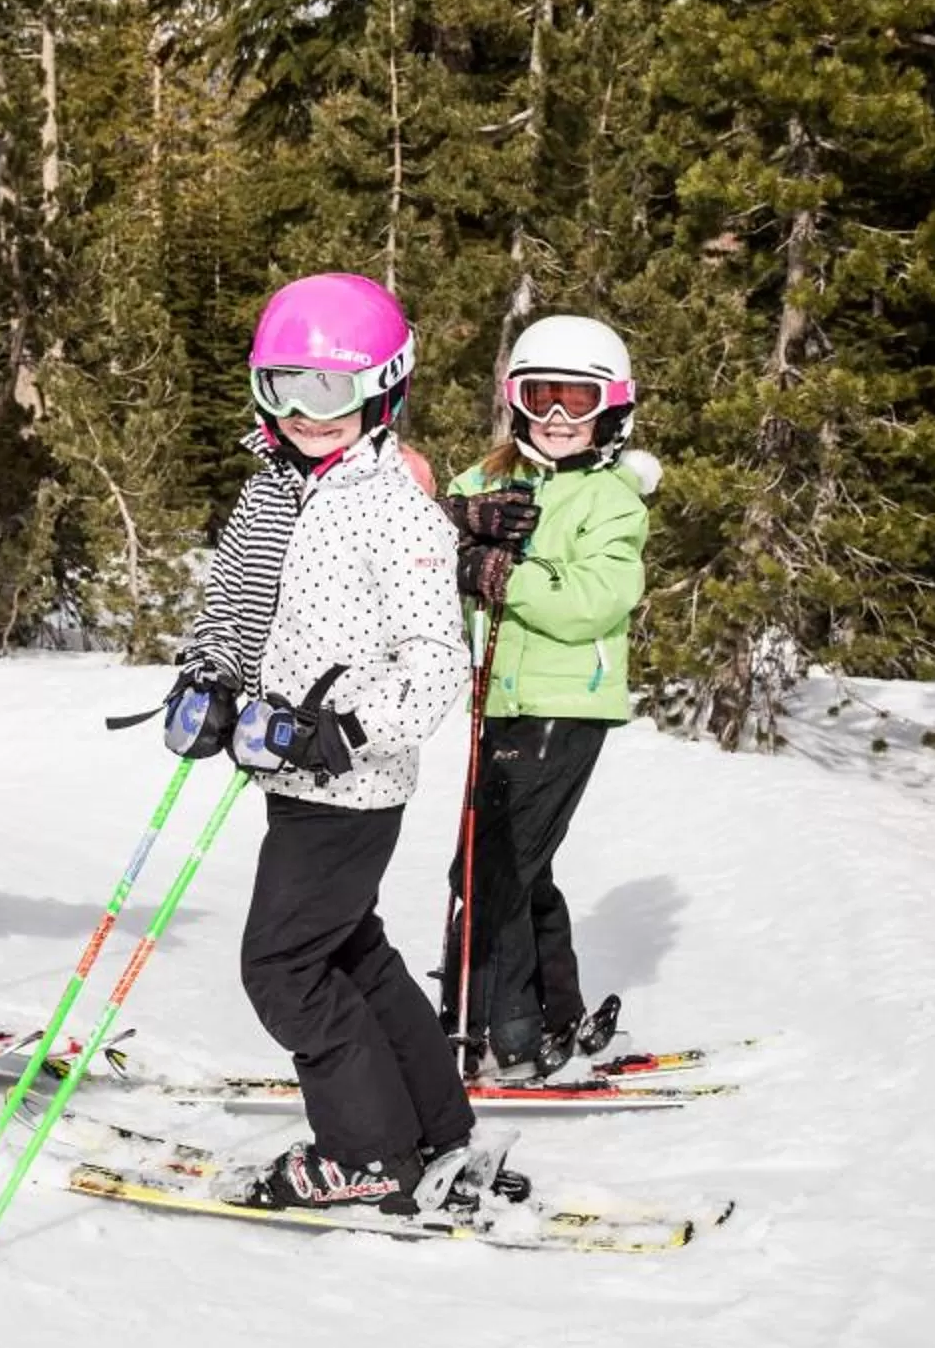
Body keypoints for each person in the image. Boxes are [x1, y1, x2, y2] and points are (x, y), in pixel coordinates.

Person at [160, 272, 476, 1213]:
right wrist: (211, 680)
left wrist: (333, 729)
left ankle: (368, 1154)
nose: (306, 412)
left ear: (383, 387)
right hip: (290, 770)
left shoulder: (396, 510)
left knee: (284, 967)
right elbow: (235, 610)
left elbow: (436, 670)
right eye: (283, 387)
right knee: (347, 947)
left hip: (350, 781)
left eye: (329, 390)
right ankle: (433, 1119)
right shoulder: (275, 490)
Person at [442, 314, 658, 1079]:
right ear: (516, 400)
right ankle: (557, 1015)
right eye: (542, 397)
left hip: (565, 706)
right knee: (513, 866)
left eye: (578, 399)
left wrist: (503, 574)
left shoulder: (612, 501)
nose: (559, 417)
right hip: (499, 701)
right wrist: (456, 531)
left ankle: (508, 1039)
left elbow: (593, 601)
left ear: (613, 408)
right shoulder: (487, 480)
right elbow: (411, 534)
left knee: (493, 870)